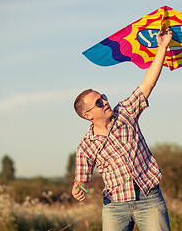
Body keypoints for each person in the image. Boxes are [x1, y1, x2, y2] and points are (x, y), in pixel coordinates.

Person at [72, 28, 173, 231]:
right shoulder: (86, 146)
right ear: (88, 115)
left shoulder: (125, 113)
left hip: (149, 197)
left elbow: (148, 83)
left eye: (103, 97)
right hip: (115, 206)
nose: (105, 102)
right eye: (99, 103)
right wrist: (79, 189)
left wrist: (162, 47)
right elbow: (82, 180)